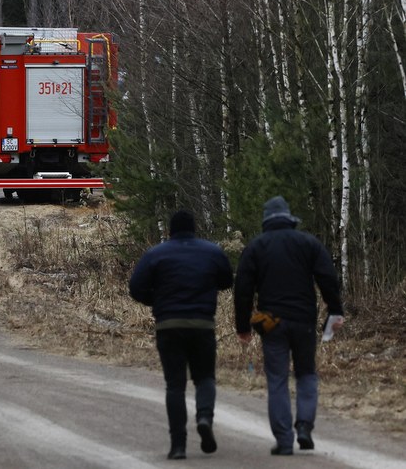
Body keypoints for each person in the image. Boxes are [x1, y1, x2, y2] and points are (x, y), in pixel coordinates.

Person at [234, 196, 345, 456]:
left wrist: (243, 326)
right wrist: (336, 310)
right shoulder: (308, 243)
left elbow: (243, 290)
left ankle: (284, 440)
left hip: (271, 323)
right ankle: (304, 426)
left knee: (277, 379)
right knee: (306, 374)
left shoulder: (256, 246)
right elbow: (327, 277)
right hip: (304, 320)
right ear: (289, 217)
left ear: (266, 221)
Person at [129, 210, 233, 460]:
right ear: (194, 229)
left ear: (170, 231)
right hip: (202, 324)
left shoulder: (156, 254)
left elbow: (135, 288)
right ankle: (205, 417)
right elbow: (227, 280)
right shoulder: (212, 251)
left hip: (169, 324)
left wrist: (157, 301)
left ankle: (178, 446)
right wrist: (207, 287)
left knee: (175, 385)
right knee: (205, 377)